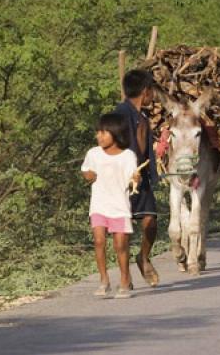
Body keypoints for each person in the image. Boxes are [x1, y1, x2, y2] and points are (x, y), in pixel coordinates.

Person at [81, 113, 141, 298]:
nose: (99, 136)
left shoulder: (127, 155)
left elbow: (133, 177)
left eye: (104, 132)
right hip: (99, 205)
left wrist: (135, 179)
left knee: (121, 244)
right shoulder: (93, 153)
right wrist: (88, 176)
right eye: (98, 132)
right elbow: (85, 171)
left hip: (119, 207)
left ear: (116, 133)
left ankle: (124, 280)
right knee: (99, 240)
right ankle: (104, 280)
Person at [114, 69, 160, 286]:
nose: (154, 96)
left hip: (141, 176)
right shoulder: (121, 113)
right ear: (145, 91)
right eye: (152, 91)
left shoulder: (142, 116)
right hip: (122, 177)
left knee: (150, 221)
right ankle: (125, 274)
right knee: (122, 228)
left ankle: (143, 257)